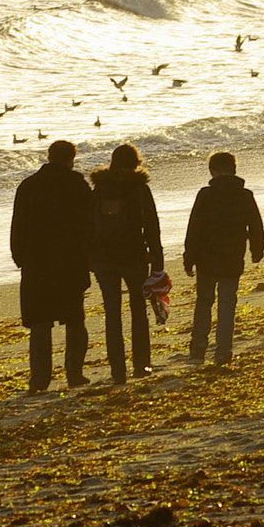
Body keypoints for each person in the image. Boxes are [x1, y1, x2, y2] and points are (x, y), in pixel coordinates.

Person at [10, 139, 92, 392]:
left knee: (40, 323)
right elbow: (89, 225)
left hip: (36, 262)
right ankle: (74, 374)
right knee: (75, 320)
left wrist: (19, 256)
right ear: (71, 158)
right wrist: (88, 258)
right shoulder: (77, 185)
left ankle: (39, 379)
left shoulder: (29, 185)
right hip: (70, 261)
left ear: (49, 156)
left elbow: (18, 225)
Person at [90, 142, 165, 384]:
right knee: (138, 310)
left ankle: (117, 371)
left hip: (104, 259)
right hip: (133, 256)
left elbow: (87, 226)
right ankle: (141, 365)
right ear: (135, 163)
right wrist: (157, 262)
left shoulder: (99, 189)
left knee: (112, 313)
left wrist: (89, 258)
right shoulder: (139, 188)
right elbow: (152, 226)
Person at [181, 150, 264, 367]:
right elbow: (255, 226)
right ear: (234, 170)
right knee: (227, 305)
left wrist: (188, 257)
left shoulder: (205, 195)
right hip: (232, 258)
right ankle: (223, 351)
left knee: (204, 302)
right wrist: (257, 250)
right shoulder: (245, 195)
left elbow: (194, 228)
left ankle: (198, 347)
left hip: (206, 259)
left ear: (212, 171)